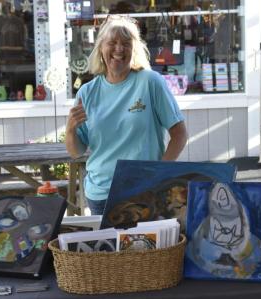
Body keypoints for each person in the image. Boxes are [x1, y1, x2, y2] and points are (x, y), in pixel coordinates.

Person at [65, 15, 187, 215]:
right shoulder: (87, 92)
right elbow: (76, 151)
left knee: (147, 247)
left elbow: (179, 135)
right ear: (101, 48)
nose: (119, 49)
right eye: (112, 43)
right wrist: (70, 129)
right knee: (107, 246)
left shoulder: (150, 82)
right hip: (100, 194)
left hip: (144, 191)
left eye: (126, 43)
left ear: (134, 49)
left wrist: (159, 175)